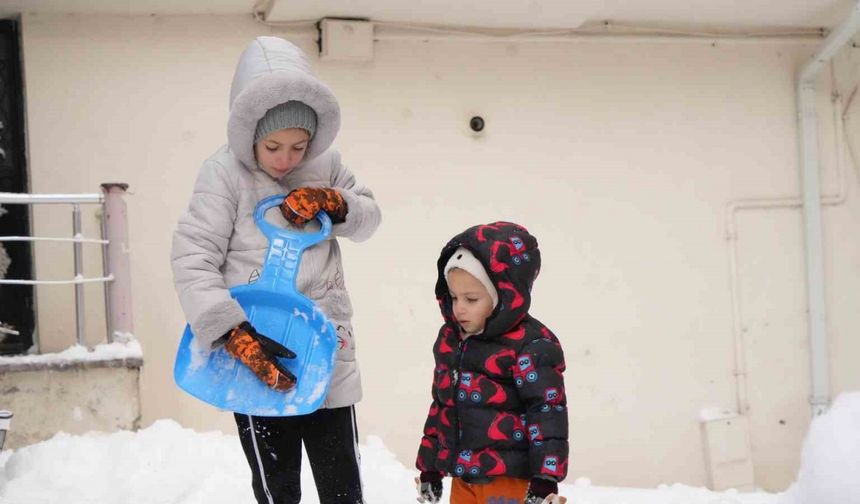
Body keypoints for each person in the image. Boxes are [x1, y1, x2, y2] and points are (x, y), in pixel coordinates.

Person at [171, 36, 380, 504]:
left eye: (299, 146)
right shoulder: (223, 174)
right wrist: (229, 332)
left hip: (325, 347)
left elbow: (370, 217)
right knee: (277, 486)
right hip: (255, 350)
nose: (287, 159)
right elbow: (193, 257)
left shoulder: (326, 165)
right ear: (249, 134)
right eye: (273, 146)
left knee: (342, 486)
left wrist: (337, 202)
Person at [415, 222, 568, 504]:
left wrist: (546, 478)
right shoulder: (452, 339)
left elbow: (547, 412)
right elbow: (442, 405)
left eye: (471, 299)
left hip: (509, 480)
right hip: (465, 478)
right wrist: (430, 467)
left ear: (504, 296)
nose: (459, 307)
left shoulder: (532, 345)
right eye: (454, 297)